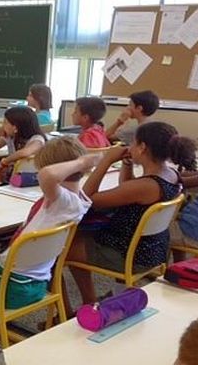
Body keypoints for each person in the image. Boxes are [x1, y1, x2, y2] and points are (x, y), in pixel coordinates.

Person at [0, 137, 97, 364]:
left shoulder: (63, 201)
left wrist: (82, 162)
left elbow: (47, 176)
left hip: (8, 287)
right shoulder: (80, 200)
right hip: (35, 284)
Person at [67, 122, 195, 305]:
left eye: (133, 143)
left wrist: (105, 161)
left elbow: (87, 199)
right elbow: (127, 187)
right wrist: (127, 163)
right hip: (154, 248)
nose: (130, 147)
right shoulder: (170, 175)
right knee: (82, 234)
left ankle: (87, 303)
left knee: (67, 246)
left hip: (131, 254)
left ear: (142, 147)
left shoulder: (145, 186)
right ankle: (117, 294)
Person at [0, 106, 46, 182]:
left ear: (15, 128)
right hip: (14, 179)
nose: (2, 126)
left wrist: (4, 162)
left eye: (5, 123)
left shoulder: (37, 139)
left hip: (31, 180)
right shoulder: (10, 137)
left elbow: (24, 153)